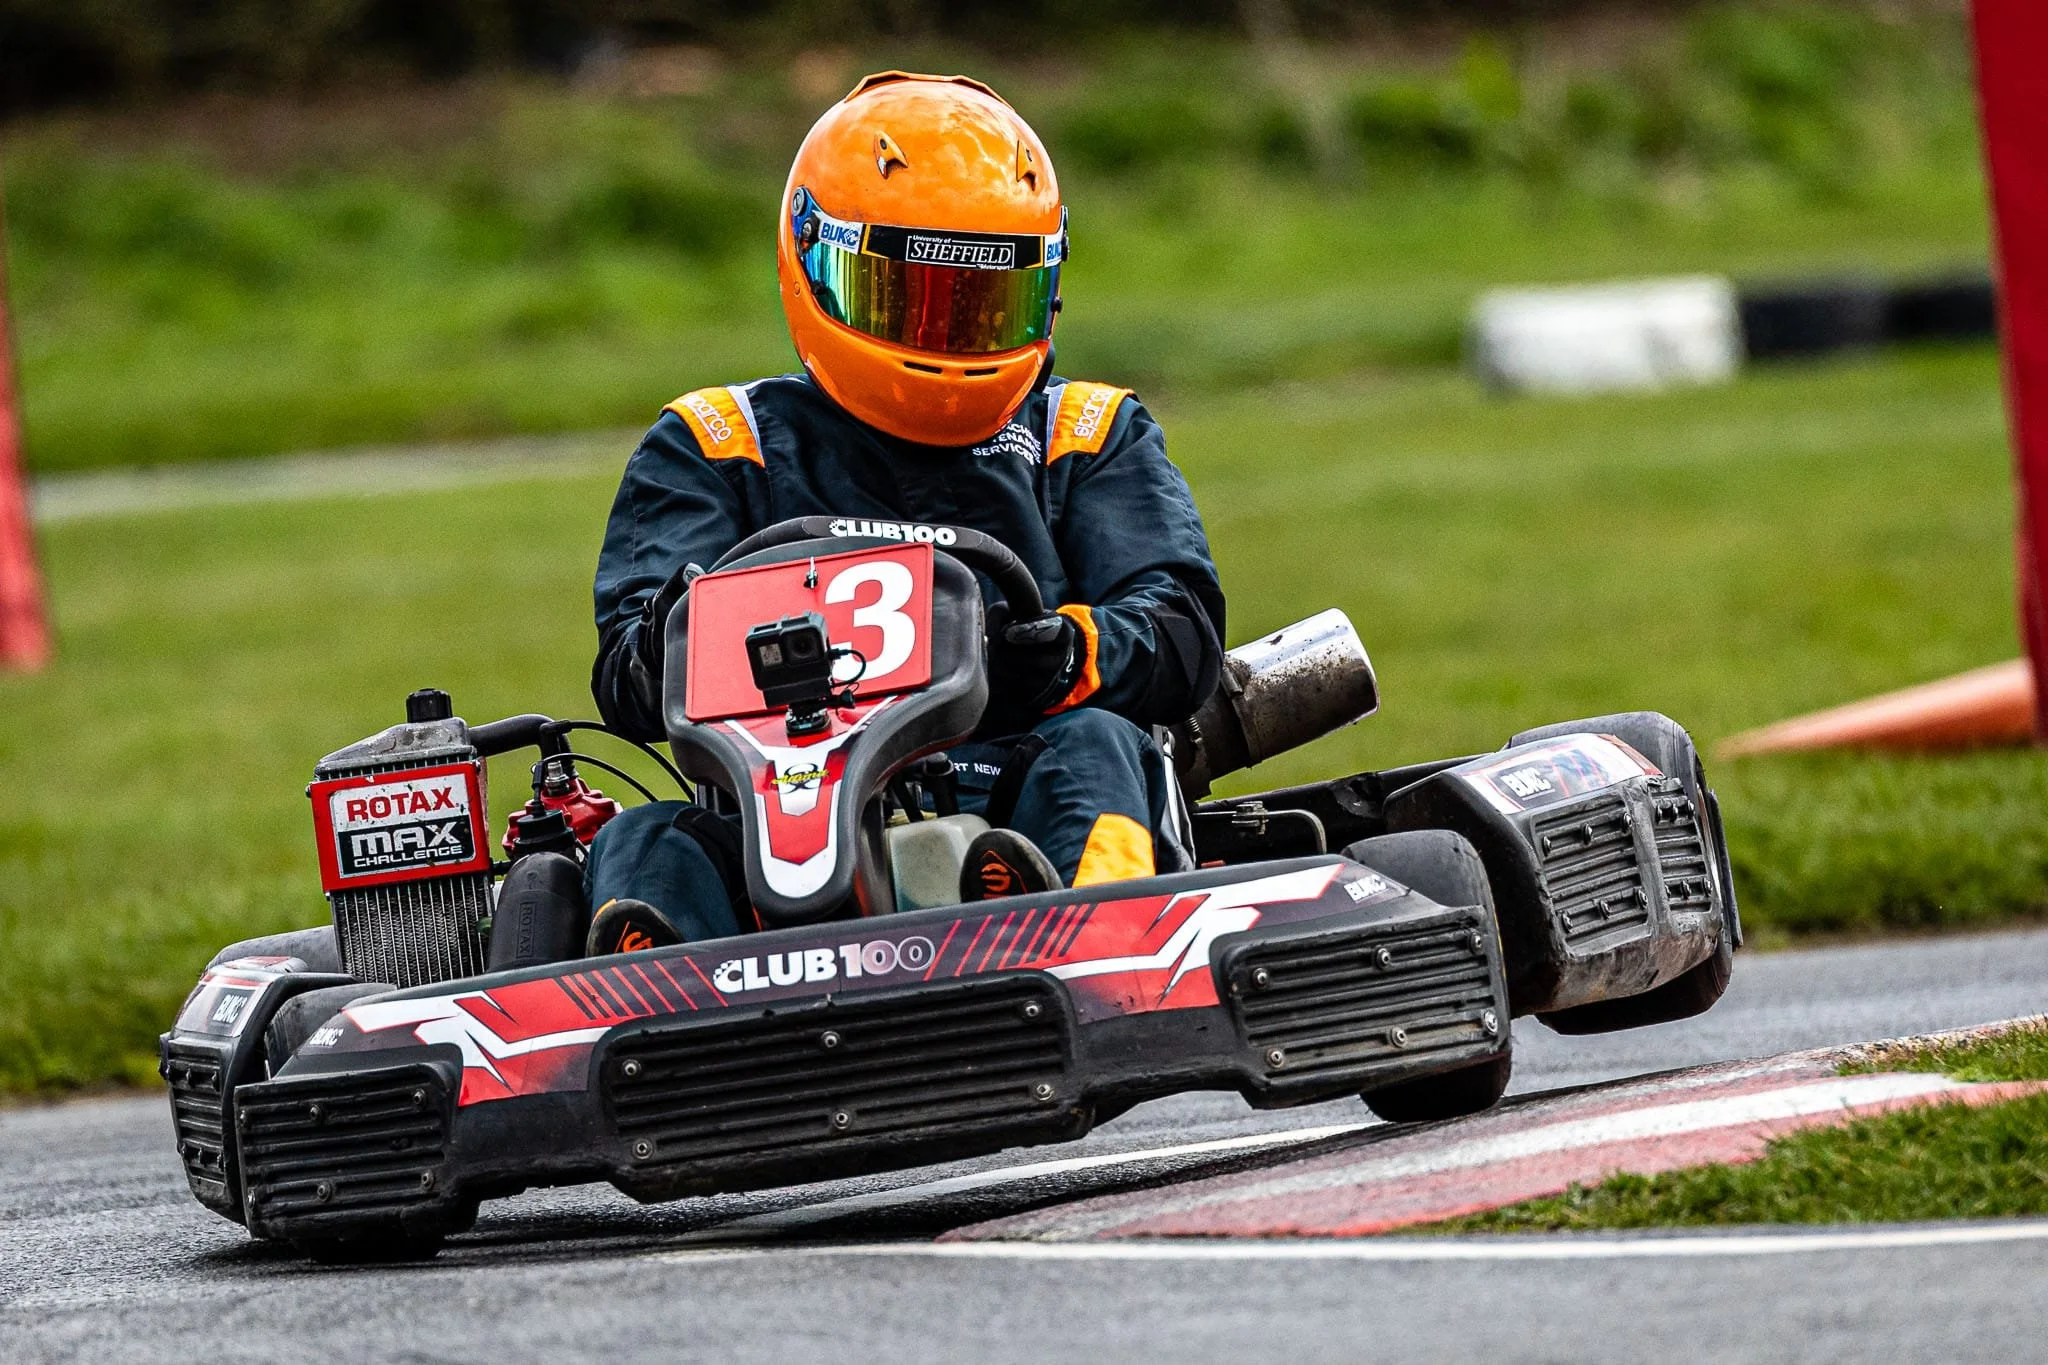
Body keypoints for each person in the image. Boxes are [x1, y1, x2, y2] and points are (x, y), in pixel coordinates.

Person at [577, 71, 1225, 954]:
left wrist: (1071, 650)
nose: (943, 338)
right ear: (814, 260)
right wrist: (689, 637)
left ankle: (1074, 939)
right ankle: (658, 992)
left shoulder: (1086, 430)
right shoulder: (720, 441)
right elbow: (625, 677)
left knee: (1099, 746)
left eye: (979, 307)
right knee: (641, 838)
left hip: (1015, 781)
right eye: (906, 298)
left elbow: (1180, 626)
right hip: (784, 814)